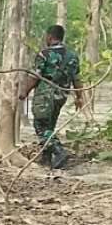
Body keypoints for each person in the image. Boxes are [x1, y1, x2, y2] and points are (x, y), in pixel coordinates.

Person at [19, 24, 84, 169]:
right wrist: (79, 97)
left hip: (45, 95)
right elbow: (77, 79)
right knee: (50, 125)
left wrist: (24, 92)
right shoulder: (72, 56)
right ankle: (46, 158)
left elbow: (35, 76)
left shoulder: (44, 54)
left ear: (49, 36)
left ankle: (59, 151)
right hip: (62, 94)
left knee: (40, 126)